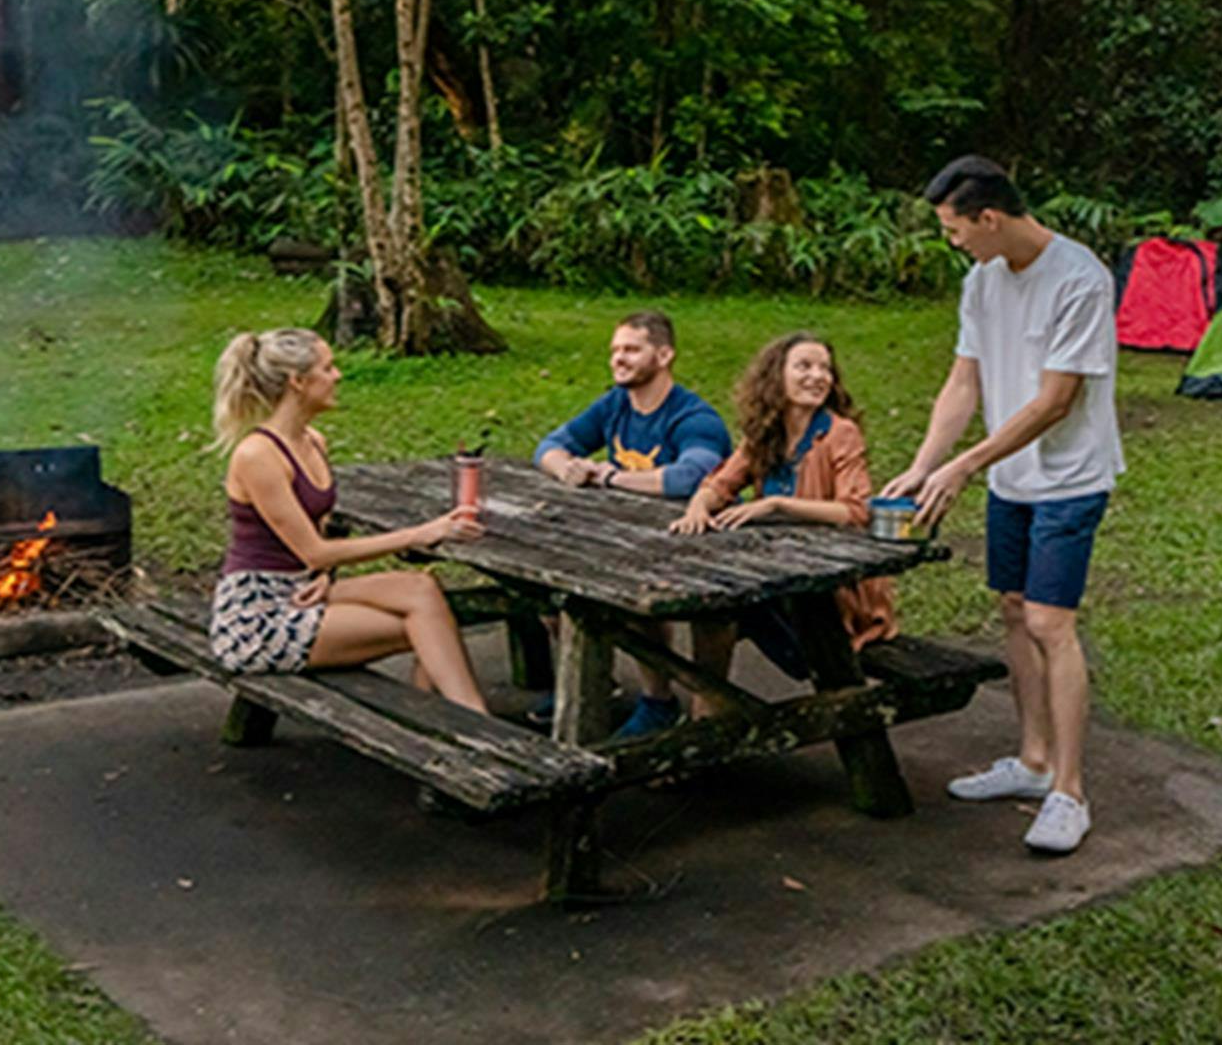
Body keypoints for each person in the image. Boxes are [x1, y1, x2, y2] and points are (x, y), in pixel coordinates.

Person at [881, 156, 1122, 855]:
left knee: (1051, 620)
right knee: (1014, 609)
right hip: (1010, 477)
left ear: (990, 218)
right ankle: (1033, 760)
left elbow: (1056, 401)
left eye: (955, 229)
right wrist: (926, 464)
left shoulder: (1079, 279)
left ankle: (1069, 793)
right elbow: (964, 382)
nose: (951, 241)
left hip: (1070, 476)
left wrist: (965, 464)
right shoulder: (983, 281)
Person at [210, 327, 488, 711]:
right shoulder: (257, 456)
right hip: (259, 615)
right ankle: (464, 721)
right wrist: (421, 534)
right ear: (298, 381)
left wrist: (325, 579)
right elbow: (315, 551)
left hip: (304, 589)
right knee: (429, 626)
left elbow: (317, 539)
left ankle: (446, 719)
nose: (338, 375)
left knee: (422, 590)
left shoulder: (313, 441)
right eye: (328, 367)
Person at [534, 310, 732, 736]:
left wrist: (610, 475)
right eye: (614, 350)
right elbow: (549, 445)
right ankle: (590, 680)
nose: (617, 359)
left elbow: (690, 477)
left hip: (692, 549)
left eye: (630, 349)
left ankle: (659, 702)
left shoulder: (695, 418)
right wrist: (564, 468)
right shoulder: (615, 405)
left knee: (641, 601)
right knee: (545, 587)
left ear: (663, 355)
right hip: (621, 540)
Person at [670, 333, 897, 700]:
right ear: (777, 376)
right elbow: (721, 482)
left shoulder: (840, 433)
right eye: (804, 366)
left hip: (830, 586)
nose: (817, 376)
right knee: (712, 611)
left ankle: (722, 705)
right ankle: (707, 708)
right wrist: (699, 504)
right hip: (773, 572)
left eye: (825, 368)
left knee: (729, 605)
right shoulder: (765, 432)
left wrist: (777, 505)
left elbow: (855, 510)